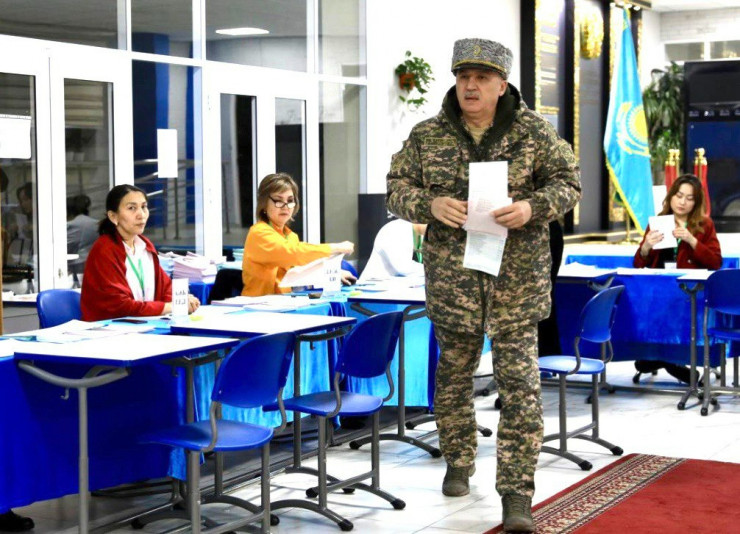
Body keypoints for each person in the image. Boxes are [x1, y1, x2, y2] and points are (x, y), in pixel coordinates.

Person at [386, 38, 581, 532]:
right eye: (463, 77)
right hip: (454, 283)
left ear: (502, 84)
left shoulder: (534, 132)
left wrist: (532, 207)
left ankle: (516, 494)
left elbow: (569, 183)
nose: (470, 86)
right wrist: (428, 205)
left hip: (517, 284)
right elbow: (397, 188)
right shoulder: (427, 135)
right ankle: (458, 458)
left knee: (521, 390)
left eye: (482, 78)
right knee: (453, 379)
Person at [633, 174, 722, 383]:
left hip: (689, 292)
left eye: (689, 198)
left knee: (680, 312)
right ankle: (666, 360)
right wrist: (646, 246)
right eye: (679, 196)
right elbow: (638, 264)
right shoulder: (659, 222)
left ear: (696, 202)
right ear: (671, 196)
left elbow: (715, 262)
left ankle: (667, 360)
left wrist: (691, 240)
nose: (682, 202)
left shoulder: (704, 224)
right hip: (660, 290)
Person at [81, 184, 200, 321]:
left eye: (144, 207)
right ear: (113, 216)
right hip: (110, 328)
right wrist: (170, 307)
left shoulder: (145, 245)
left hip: (144, 325)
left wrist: (181, 299)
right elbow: (121, 306)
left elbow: (165, 288)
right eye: (132, 208)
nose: (141, 215)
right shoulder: (104, 249)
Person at [241, 173, 356, 296]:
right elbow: (293, 253)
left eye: (290, 201)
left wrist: (333, 273)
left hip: (282, 302)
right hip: (256, 303)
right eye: (278, 201)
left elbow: (298, 270)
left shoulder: (290, 236)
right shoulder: (259, 233)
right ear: (264, 204)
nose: (285, 206)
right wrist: (335, 247)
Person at [358, 218, 427, 283]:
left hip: (400, 283)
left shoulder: (420, 235)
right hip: (375, 285)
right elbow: (402, 267)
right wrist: (430, 270)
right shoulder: (395, 229)